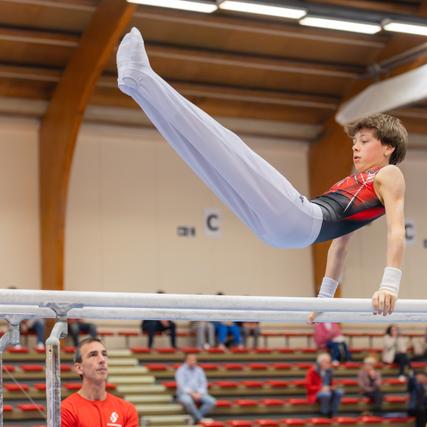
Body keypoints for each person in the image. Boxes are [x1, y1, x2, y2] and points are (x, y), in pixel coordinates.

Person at [116, 28, 407, 317]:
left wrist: (389, 286)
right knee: (205, 161)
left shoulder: (389, 175)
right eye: (354, 142)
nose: (355, 148)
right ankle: (136, 85)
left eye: (364, 142)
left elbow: (396, 230)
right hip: (284, 231)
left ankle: (142, 77)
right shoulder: (352, 181)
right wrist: (324, 300)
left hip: (299, 219)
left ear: (388, 148)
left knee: (224, 146)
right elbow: (340, 246)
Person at [61, 338, 138, 427]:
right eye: (93, 355)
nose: (102, 360)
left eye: (104, 354)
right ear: (79, 368)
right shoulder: (66, 410)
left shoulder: (127, 409)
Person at [175, 353, 216, 424]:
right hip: (185, 394)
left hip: (198, 393)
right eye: (191, 360)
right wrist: (192, 394)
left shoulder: (199, 370)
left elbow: (203, 383)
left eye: (194, 360)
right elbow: (181, 386)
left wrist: (199, 393)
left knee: (212, 401)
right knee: (188, 401)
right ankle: (200, 419)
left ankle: (194, 419)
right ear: (186, 360)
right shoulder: (180, 370)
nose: (193, 361)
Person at [306, 353, 344, 418]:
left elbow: (331, 383)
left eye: (329, 362)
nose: (329, 364)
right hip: (316, 392)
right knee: (326, 394)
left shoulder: (329, 371)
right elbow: (309, 387)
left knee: (339, 392)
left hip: (328, 390)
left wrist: (333, 387)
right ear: (321, 362)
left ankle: (333, 413)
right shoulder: (312, 371)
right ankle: (324, 413)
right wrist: (321, 388)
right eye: (327, 362)